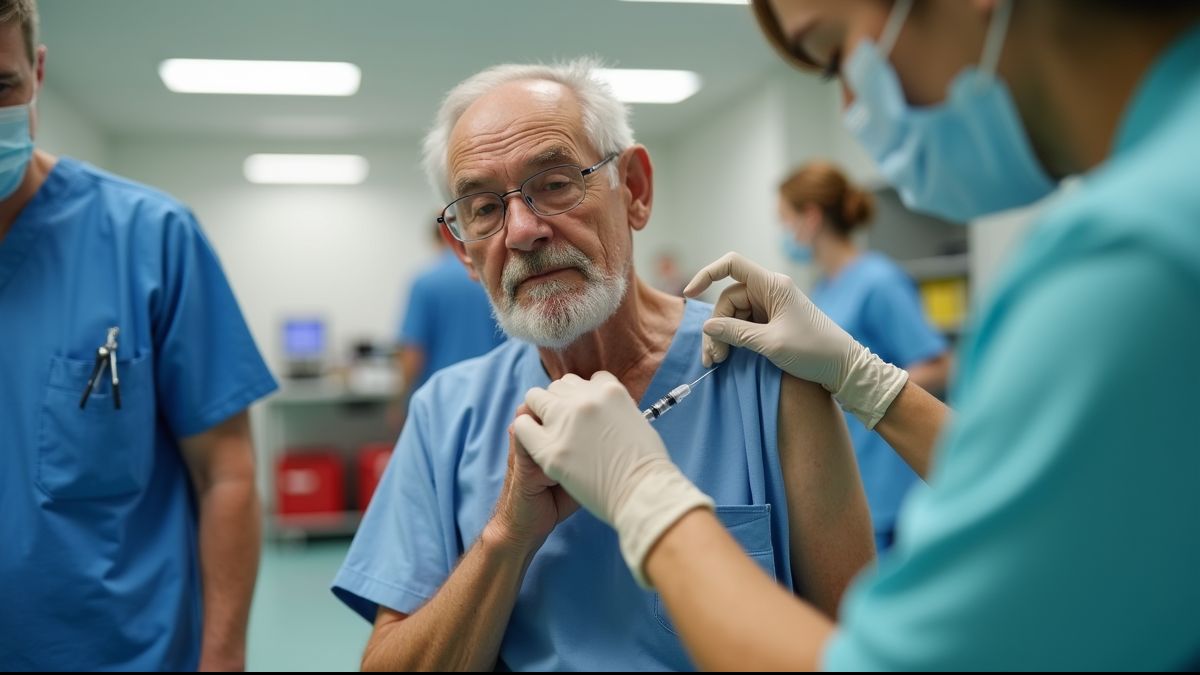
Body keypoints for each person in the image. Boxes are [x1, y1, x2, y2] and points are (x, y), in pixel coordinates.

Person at [514, 0, 1200, 670]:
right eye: (483, 207)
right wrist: (865, 378)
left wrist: (647, 499)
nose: (847, 105)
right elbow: (1069, 502)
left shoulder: (1131, 260)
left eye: (836, 51)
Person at [331, 58, 873, 671]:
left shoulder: (763, 375)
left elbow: (859, 649)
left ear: (634, 190)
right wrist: (507, 537)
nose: (524, 230)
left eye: (556, 182)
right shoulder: (446, 415)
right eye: (483, 208)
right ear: (462, 247)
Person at [0, 1, 277, 671]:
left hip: (130, 653)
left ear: (36, 72)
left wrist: (222, 658)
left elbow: (227, 471)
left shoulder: (150, 239)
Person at [778, 160, 950, 551]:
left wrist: (854, 385)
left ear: (811, 217)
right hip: (854, 473)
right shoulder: (822, 289)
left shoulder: (878, 281)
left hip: (891, 480)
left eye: (784, 219)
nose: (782, 233)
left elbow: (938, 364)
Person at [396, 220, 506, 399]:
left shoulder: (425, 283)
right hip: (496, 391)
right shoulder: (495, 276)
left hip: (441, 397)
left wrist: (399, 400)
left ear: (441, 238)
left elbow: (413, 352)